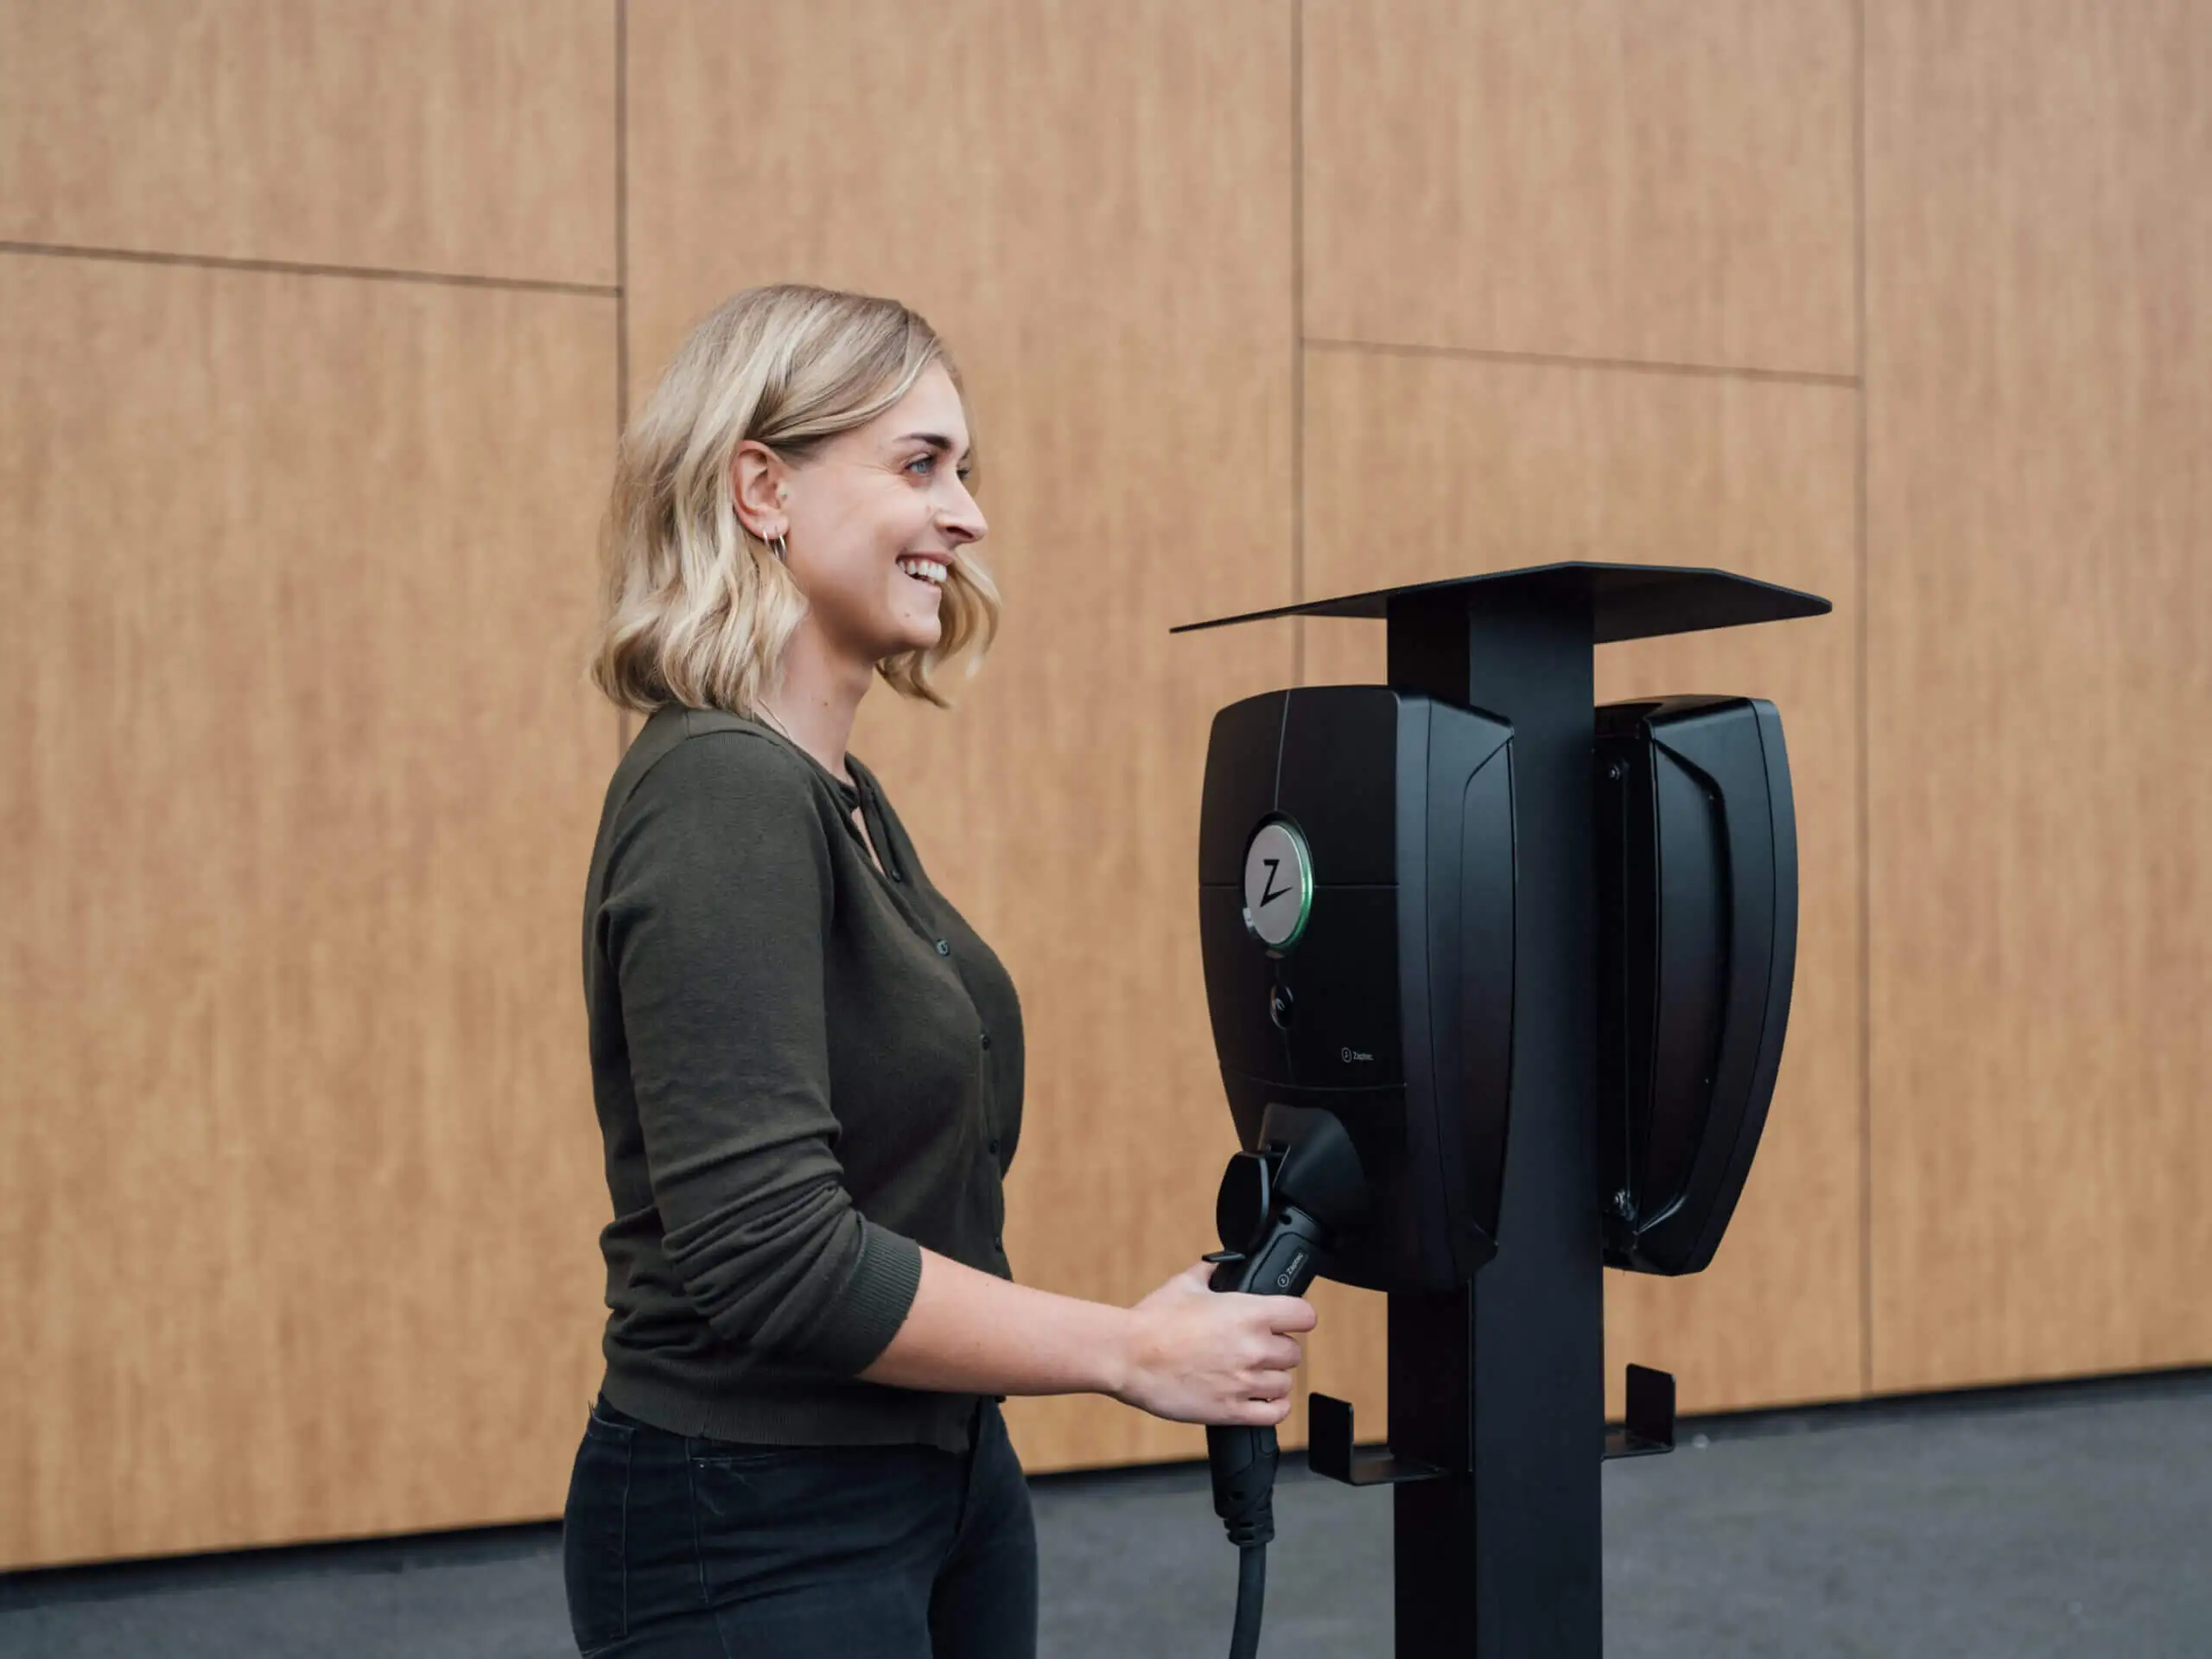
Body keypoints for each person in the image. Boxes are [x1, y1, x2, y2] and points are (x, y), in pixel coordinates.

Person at [563, 283, 1319, 1659]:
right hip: (755, 1519)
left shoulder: (838, 795)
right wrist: (1126, 1352)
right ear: (760, 489)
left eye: (965, 471)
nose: (968, 516)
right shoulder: (719, 796)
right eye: (921, 466)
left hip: (943, 1481)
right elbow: (768, 1257)